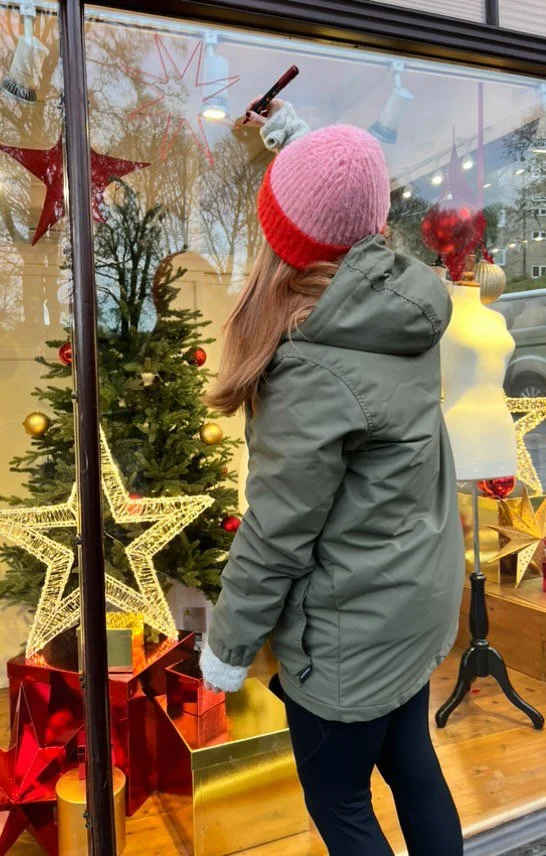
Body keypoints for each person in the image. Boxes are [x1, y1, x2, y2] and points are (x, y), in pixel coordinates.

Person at [199, 100, 465, 856]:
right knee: (413, 766)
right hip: (408, 605)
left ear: (281, 240)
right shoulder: (399, 310)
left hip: (352, 635)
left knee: (342, 802)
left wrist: (226, 649)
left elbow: (277, 535)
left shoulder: (313, 365)